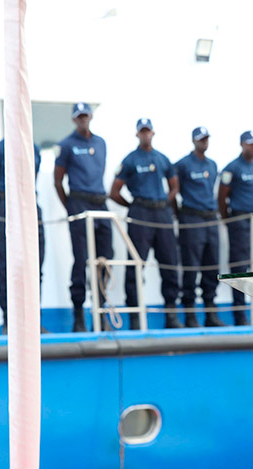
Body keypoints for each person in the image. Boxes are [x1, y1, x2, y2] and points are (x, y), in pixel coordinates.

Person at [109, 118, 183, 330]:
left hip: (162, 213)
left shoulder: (162, 159)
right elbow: (114, 192)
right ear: (137, 134)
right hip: (141, 213)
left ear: (153, 133)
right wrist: (134, 205)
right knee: (135, 264)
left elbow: (174, 185)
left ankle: (171, 314)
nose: (145, 134)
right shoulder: (130, 160)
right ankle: (134, 315)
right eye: (142, 131)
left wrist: (164, 202)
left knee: (169, 262)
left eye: (148, 131)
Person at [54, 102, 114, 332]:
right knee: (81, 260)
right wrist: (70, 206)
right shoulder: (66, 145)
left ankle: (101, 314)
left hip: (100, 202)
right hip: (79, 202)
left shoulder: (100, 143)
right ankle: (79, 316)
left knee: (105, 259)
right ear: (73, 119)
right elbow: (58, 181)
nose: (83, 120)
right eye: (79, 116)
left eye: (86, 116)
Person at [0, 139, 45, 334]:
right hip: (6, 206)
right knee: (7, 267)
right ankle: (8, 321)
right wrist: (0, 212)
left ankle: (33, 321)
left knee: (35, 266)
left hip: (30, 206)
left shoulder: (33, 148)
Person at [217, 130, 253, 326]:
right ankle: (240, 316)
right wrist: (229, 220)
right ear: (242, 144)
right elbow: (221, 197)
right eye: (250, 143)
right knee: (240, 268)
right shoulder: (231, 168)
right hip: (240, 222)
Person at [174, 126, 226, 328]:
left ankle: (211, 314)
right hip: (192, 218)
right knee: (191, 267)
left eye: (206, 139)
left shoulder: (212, 165)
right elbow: (174, 189)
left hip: (210, 219)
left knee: (211, 266)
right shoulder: (182, 165)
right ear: (193, 141)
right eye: (200, 139)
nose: (204, 142)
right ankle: (189, 315)